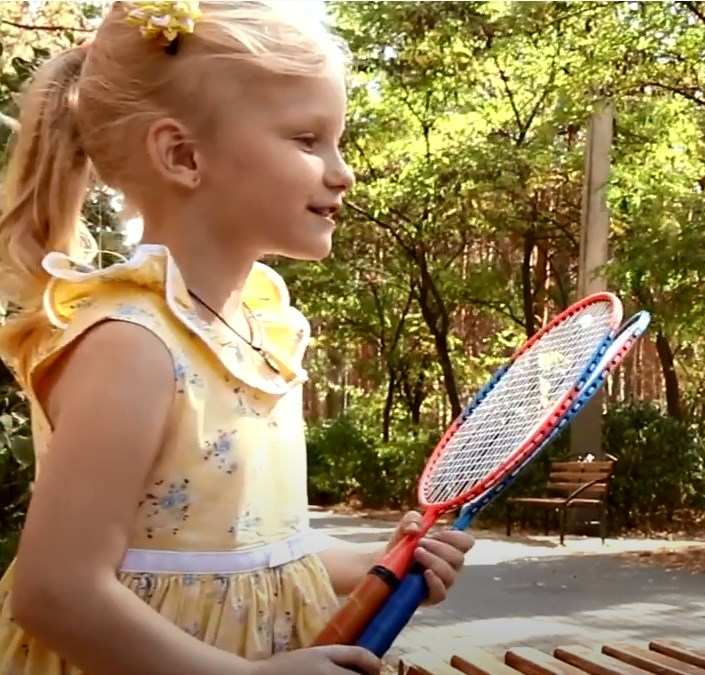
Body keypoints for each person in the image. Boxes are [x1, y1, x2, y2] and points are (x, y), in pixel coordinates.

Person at [0, 2, 474, 674]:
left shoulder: (254, 334)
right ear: (183, 154)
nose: (342, 171)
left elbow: (249, 561)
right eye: (307, 140)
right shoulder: (132, 347)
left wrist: (377, 564)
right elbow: (57, 594)